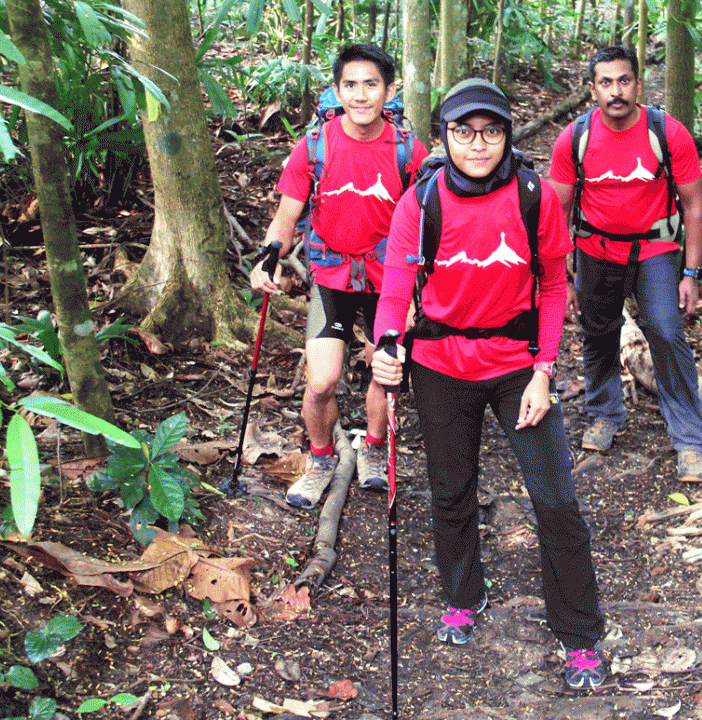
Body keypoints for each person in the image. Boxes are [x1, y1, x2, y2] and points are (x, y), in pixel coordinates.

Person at [371, 78, 607, 690]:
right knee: (451, 492)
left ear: (507, 134)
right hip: (441, 365)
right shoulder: (420, 202)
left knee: (554, 499)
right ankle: (462, 595)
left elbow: (554, 286)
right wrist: (387, 345)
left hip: (516, 366)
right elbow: (396, 285)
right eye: (463, 132)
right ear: (443, 136)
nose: (478, 145)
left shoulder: (534, 197)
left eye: (491, 131)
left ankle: (579, 634)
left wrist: (544, 371)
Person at [250, 44, 428, 507]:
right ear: (336, 90)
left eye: (372, 85)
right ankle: (322, 457)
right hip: (332, 275)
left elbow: (431, 222)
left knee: (382, 372)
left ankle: (371, 449)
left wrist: (415, 292)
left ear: (391, 91)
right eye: (350, 85)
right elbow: (287, 217)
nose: (361, 95)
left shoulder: (410, 151)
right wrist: (270, 254)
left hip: (389, 280)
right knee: (322, 381)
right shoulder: (314, 146)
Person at [548, 46, 702, 482]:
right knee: (597, 331)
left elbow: (694, 206)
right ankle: (605, 413)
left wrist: (692, 274)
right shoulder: (575, 138)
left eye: (624, 81)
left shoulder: (668, 133)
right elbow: (556, 214)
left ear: (638, 85)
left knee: (665, 329)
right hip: (595, 250)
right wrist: (561, 278)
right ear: (592, 89)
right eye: (606, 82)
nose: (615, 92)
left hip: (654, 250)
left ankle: (691, 436)